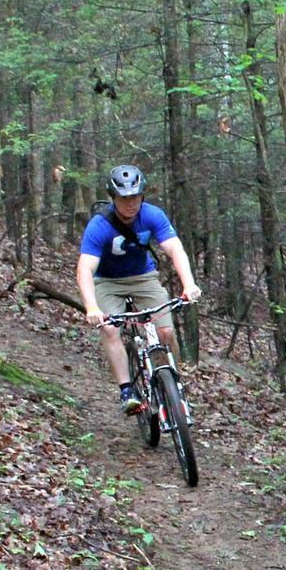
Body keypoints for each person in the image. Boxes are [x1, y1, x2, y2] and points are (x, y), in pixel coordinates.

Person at [77, 164, 202, 414]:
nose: (131, 203)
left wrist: (188, 283)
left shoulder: (152, 215)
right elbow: (84, 269)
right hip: (107, 281)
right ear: (114, 198)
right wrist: (91, 306)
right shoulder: (99, 225)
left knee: (165, 331)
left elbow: (175, 249)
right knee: (111, 330)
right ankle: (127, 391)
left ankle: (173, 385)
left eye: (135, 196)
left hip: (143, 277)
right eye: (124, 198)